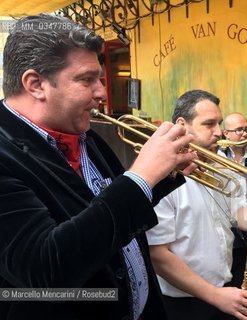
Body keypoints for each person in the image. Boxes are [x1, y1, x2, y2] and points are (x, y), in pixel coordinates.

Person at [0, 14, 197, 320]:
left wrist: (163, 175)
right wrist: (140, 177)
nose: (102, 93)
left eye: (101, 78)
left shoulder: (81, 132)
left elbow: (103, 213)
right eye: (86, 79)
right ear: (35, 84)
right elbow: (46, 269)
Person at [146, 89, 247, 320]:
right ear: (182, 125)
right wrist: (215, 296)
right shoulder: (160, 176)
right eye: (209, 124)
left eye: (219, 123)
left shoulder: (225, 168)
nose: (218, 132)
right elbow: (158, 255)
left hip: (225, 289)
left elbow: (238, 212)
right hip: (184, 304)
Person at [218, 112, 247, 287]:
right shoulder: (216, 155)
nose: (245, 134)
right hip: (224, 222)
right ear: (226, 133)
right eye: (239, 130)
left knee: (243, 275)